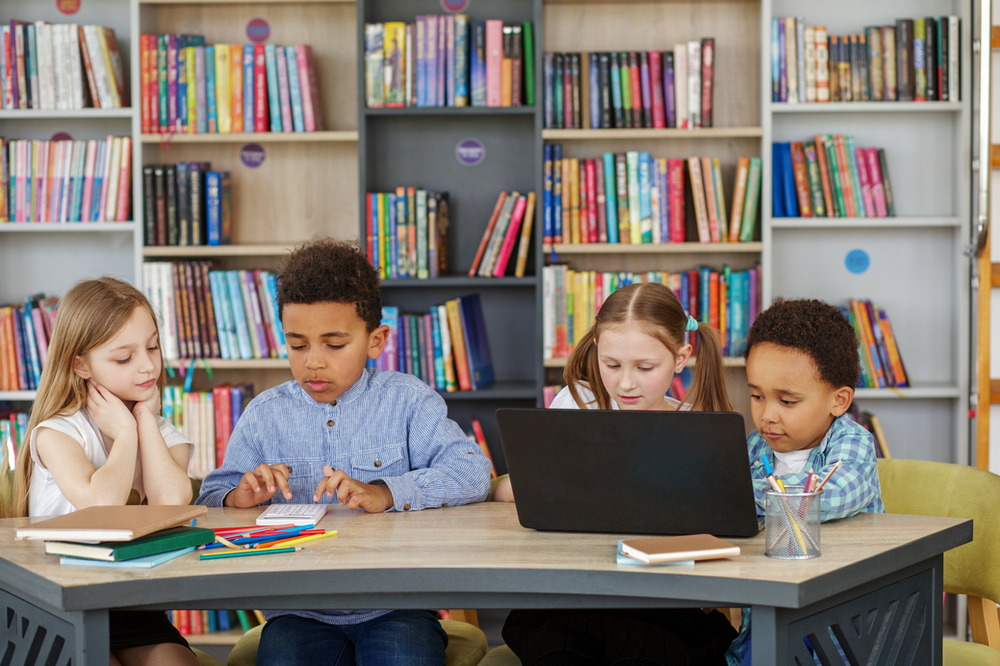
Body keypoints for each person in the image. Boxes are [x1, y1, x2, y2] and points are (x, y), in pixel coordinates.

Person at [196, 238, 492, 666]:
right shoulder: (264, 414)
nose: (313, 361)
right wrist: (237, 496)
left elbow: (472, 472)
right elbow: (211, 497)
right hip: (297, 612)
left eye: (333, 345)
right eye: (297, 345)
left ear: (376, 340)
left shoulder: (408, 401)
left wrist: (387, 492)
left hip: (398, 606)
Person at [496, 282, 738, 666]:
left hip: (659, 605)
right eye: (612, 365)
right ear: (596, 352)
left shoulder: (698, 428)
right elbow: (512, 490)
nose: (626, 383)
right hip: (570, 602)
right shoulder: (576, 405)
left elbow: (722, 526)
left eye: (645, 368)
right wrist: (523, 483)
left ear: (680, 358)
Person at [9, 277, 198, 666]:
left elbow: (172, 501)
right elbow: (99, 505)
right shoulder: (57, 432)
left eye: (153, 347)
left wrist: (144, 419)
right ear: (80, 364)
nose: (147, 366)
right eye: (124, 358)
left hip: (129, 603)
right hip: (55, 602)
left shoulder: (161, 433)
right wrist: (126, 432)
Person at [726, 298, 884, 665]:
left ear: (839, 400)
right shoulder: (752, 449)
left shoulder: (852, 443)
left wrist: (733, 495)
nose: (767, 414)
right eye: (756, 395)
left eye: (788, 401)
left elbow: (833, 494)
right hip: (768, 618)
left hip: (844, 627)